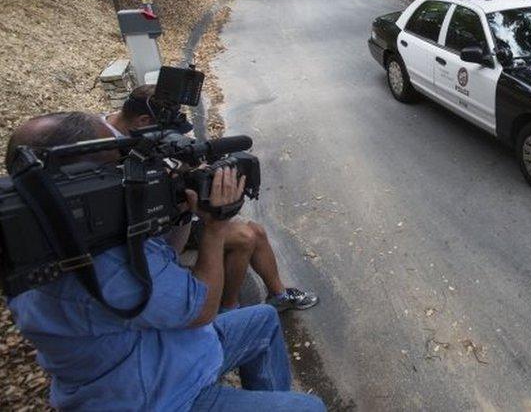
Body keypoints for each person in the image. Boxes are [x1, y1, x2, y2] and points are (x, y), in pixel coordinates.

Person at [4, 112, 326, 411]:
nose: (128, 174)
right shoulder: (111, 268)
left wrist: (176, 210)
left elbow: (166, 257)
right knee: (310, 408)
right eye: (117, 166)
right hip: (160, 396)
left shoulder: (32, 247)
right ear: (81, 183)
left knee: (263, 319)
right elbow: (202, 309)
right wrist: (213, 228)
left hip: (161, 353)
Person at [104, 85, 318, 312]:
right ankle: (228, 310)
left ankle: (280, 295)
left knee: (257, 231)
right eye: (165, 130)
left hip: (177, 219)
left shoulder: (115, 128)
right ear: (143, 121)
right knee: (246, 237)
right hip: (157, 234)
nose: (169, 136)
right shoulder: (104, 152)